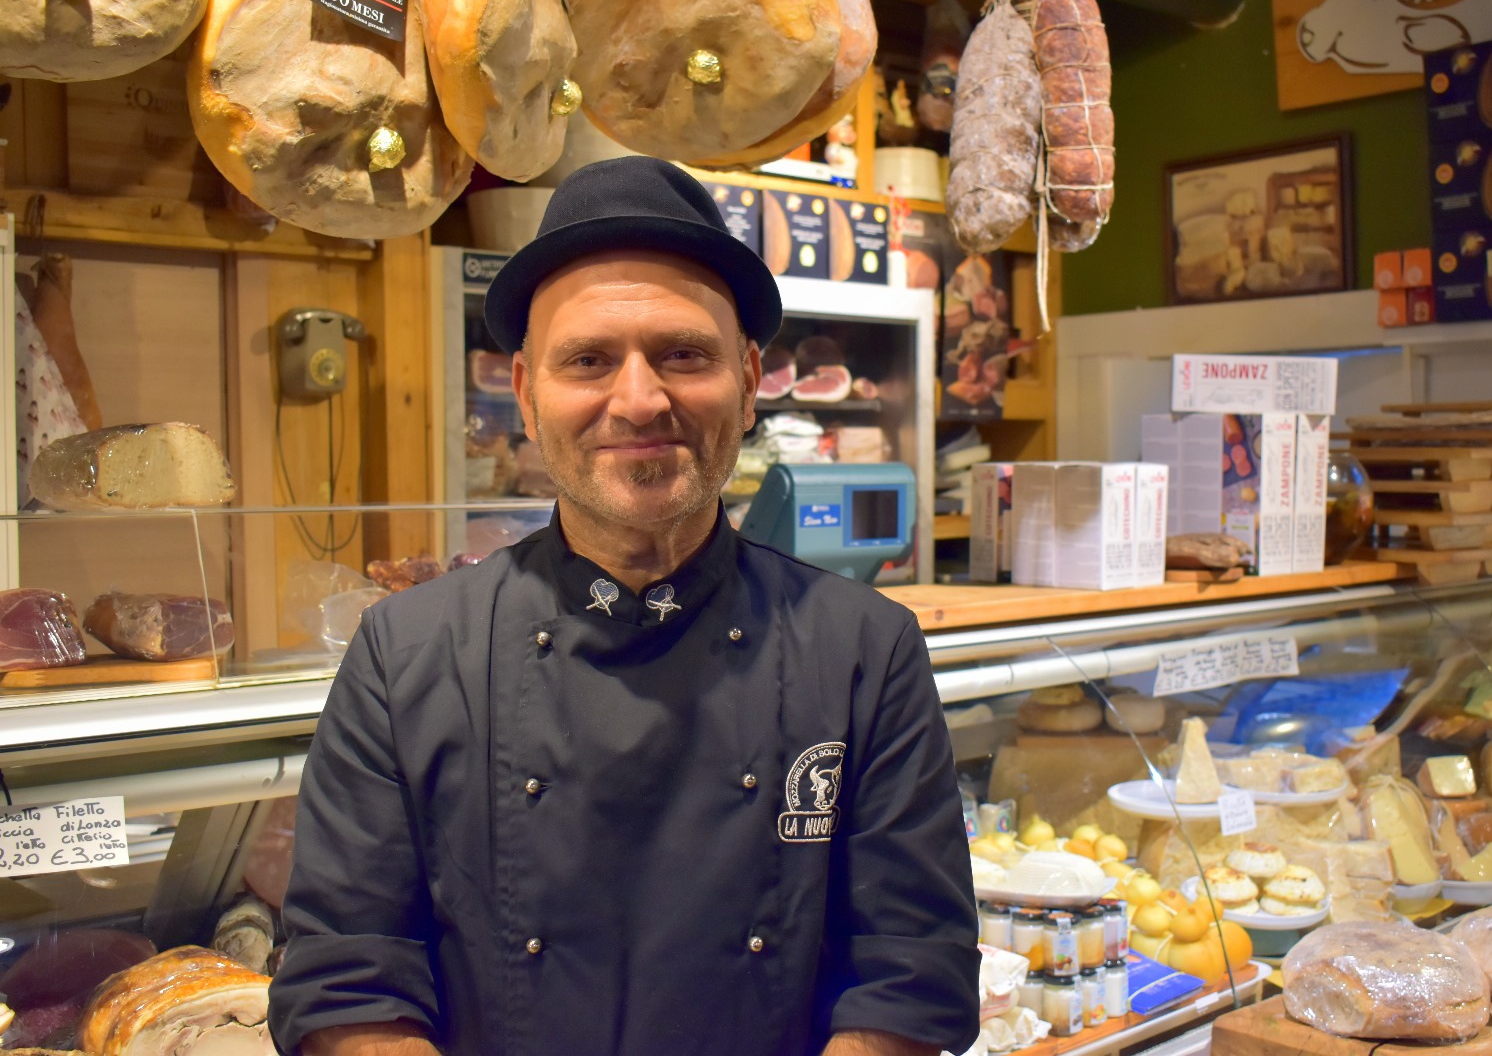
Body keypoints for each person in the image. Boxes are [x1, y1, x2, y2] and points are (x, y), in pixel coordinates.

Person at [267, 156, 980, 1056]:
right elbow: (345, 979)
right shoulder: (406, 651)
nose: (639, 400)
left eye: (683, 354)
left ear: (751, 380)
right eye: (589, 361)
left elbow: (912, 977)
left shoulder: (865, 650)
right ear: (527, 394)